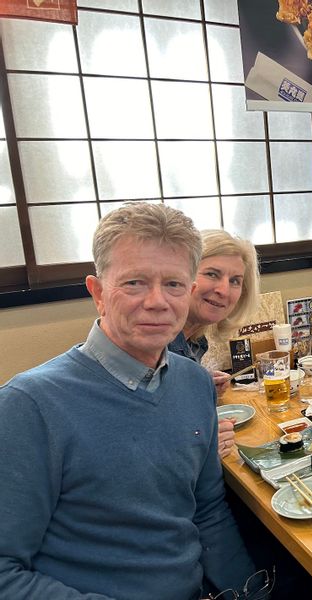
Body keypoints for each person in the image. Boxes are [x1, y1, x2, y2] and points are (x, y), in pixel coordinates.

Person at [0, 203, 255, 598]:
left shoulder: (194, 383)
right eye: (134, 282)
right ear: (98, 293)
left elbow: (208, 512)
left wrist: (250, 592)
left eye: (172, 285)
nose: (157, 301)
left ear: (188, 293)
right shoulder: (28, 405)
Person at [169, 230, 260, 458]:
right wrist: (201, 443)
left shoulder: (195, 340)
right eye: (211, 274)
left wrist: (200, 384)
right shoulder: (158, 345)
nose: (223, 290)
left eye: (235, 281)